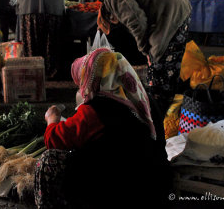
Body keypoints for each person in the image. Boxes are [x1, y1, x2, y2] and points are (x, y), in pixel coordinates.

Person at [35, 48, 168, 208]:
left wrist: (52, 118)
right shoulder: (141, 98)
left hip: (115, 189)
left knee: (48, 160)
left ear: (93, 78)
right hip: (154, 181)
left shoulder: (96, 110)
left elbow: (54, 139)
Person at [78, 0, 191, 116]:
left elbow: (137, 22)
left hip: (170, 13)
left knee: (160, 68)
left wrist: (145, 49)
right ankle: (170, 111)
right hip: (175, 7)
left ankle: (160, 115)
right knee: (166, 67)